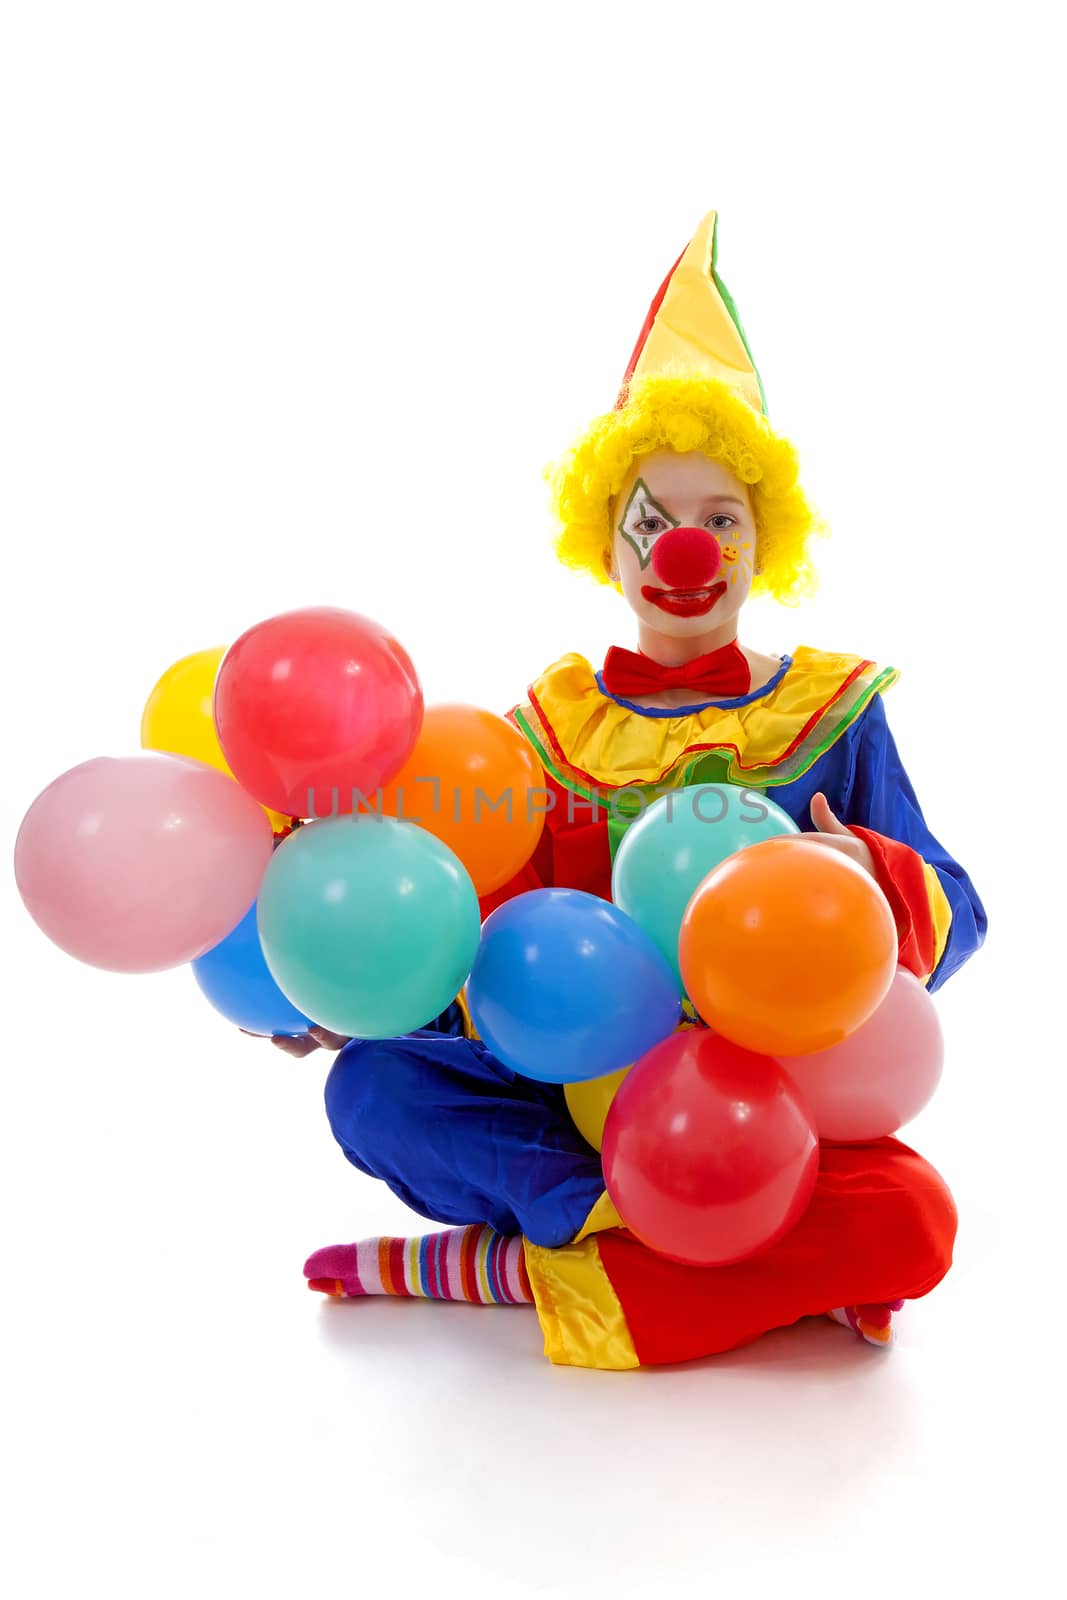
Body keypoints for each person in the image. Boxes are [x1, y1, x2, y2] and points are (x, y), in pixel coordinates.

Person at [284, 211, 987, 1370]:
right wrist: (339, 987)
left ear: (764, 542)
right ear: (605, 544)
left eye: (720, 520)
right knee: (372, 1088)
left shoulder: (832, 711)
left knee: (914, 1218)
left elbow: (960, 910)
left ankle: (518, 1270)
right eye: (652, 521)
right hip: (576, 1103)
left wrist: (872, 877)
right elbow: (469, 950)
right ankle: (673, 1244)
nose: (685, 553)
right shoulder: (542, 733)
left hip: (771, 1108)